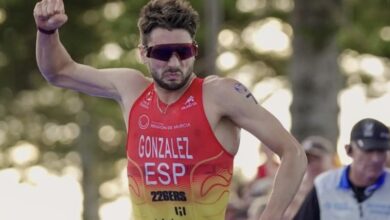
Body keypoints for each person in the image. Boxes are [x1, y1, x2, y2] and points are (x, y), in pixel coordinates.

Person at [33, 0, 307, 219]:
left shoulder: (219, 94)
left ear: (194, 50)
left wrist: (270, 216)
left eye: (184, 51)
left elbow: (293, 152)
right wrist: (47, 31)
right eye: (163, 54)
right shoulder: (131, 88)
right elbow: (59, 72)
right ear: (143, 53)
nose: (175, 63)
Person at [294, 118, 390, 220]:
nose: (376, 159)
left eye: (381, 151)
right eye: (368, 150)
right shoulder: (324, 186)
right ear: (349, 150)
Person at [282, 136, 335, 220]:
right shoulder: (292, 193)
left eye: (317, 158)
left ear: (331, 159)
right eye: (308, 159)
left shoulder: (343, 188)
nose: (312, 165)